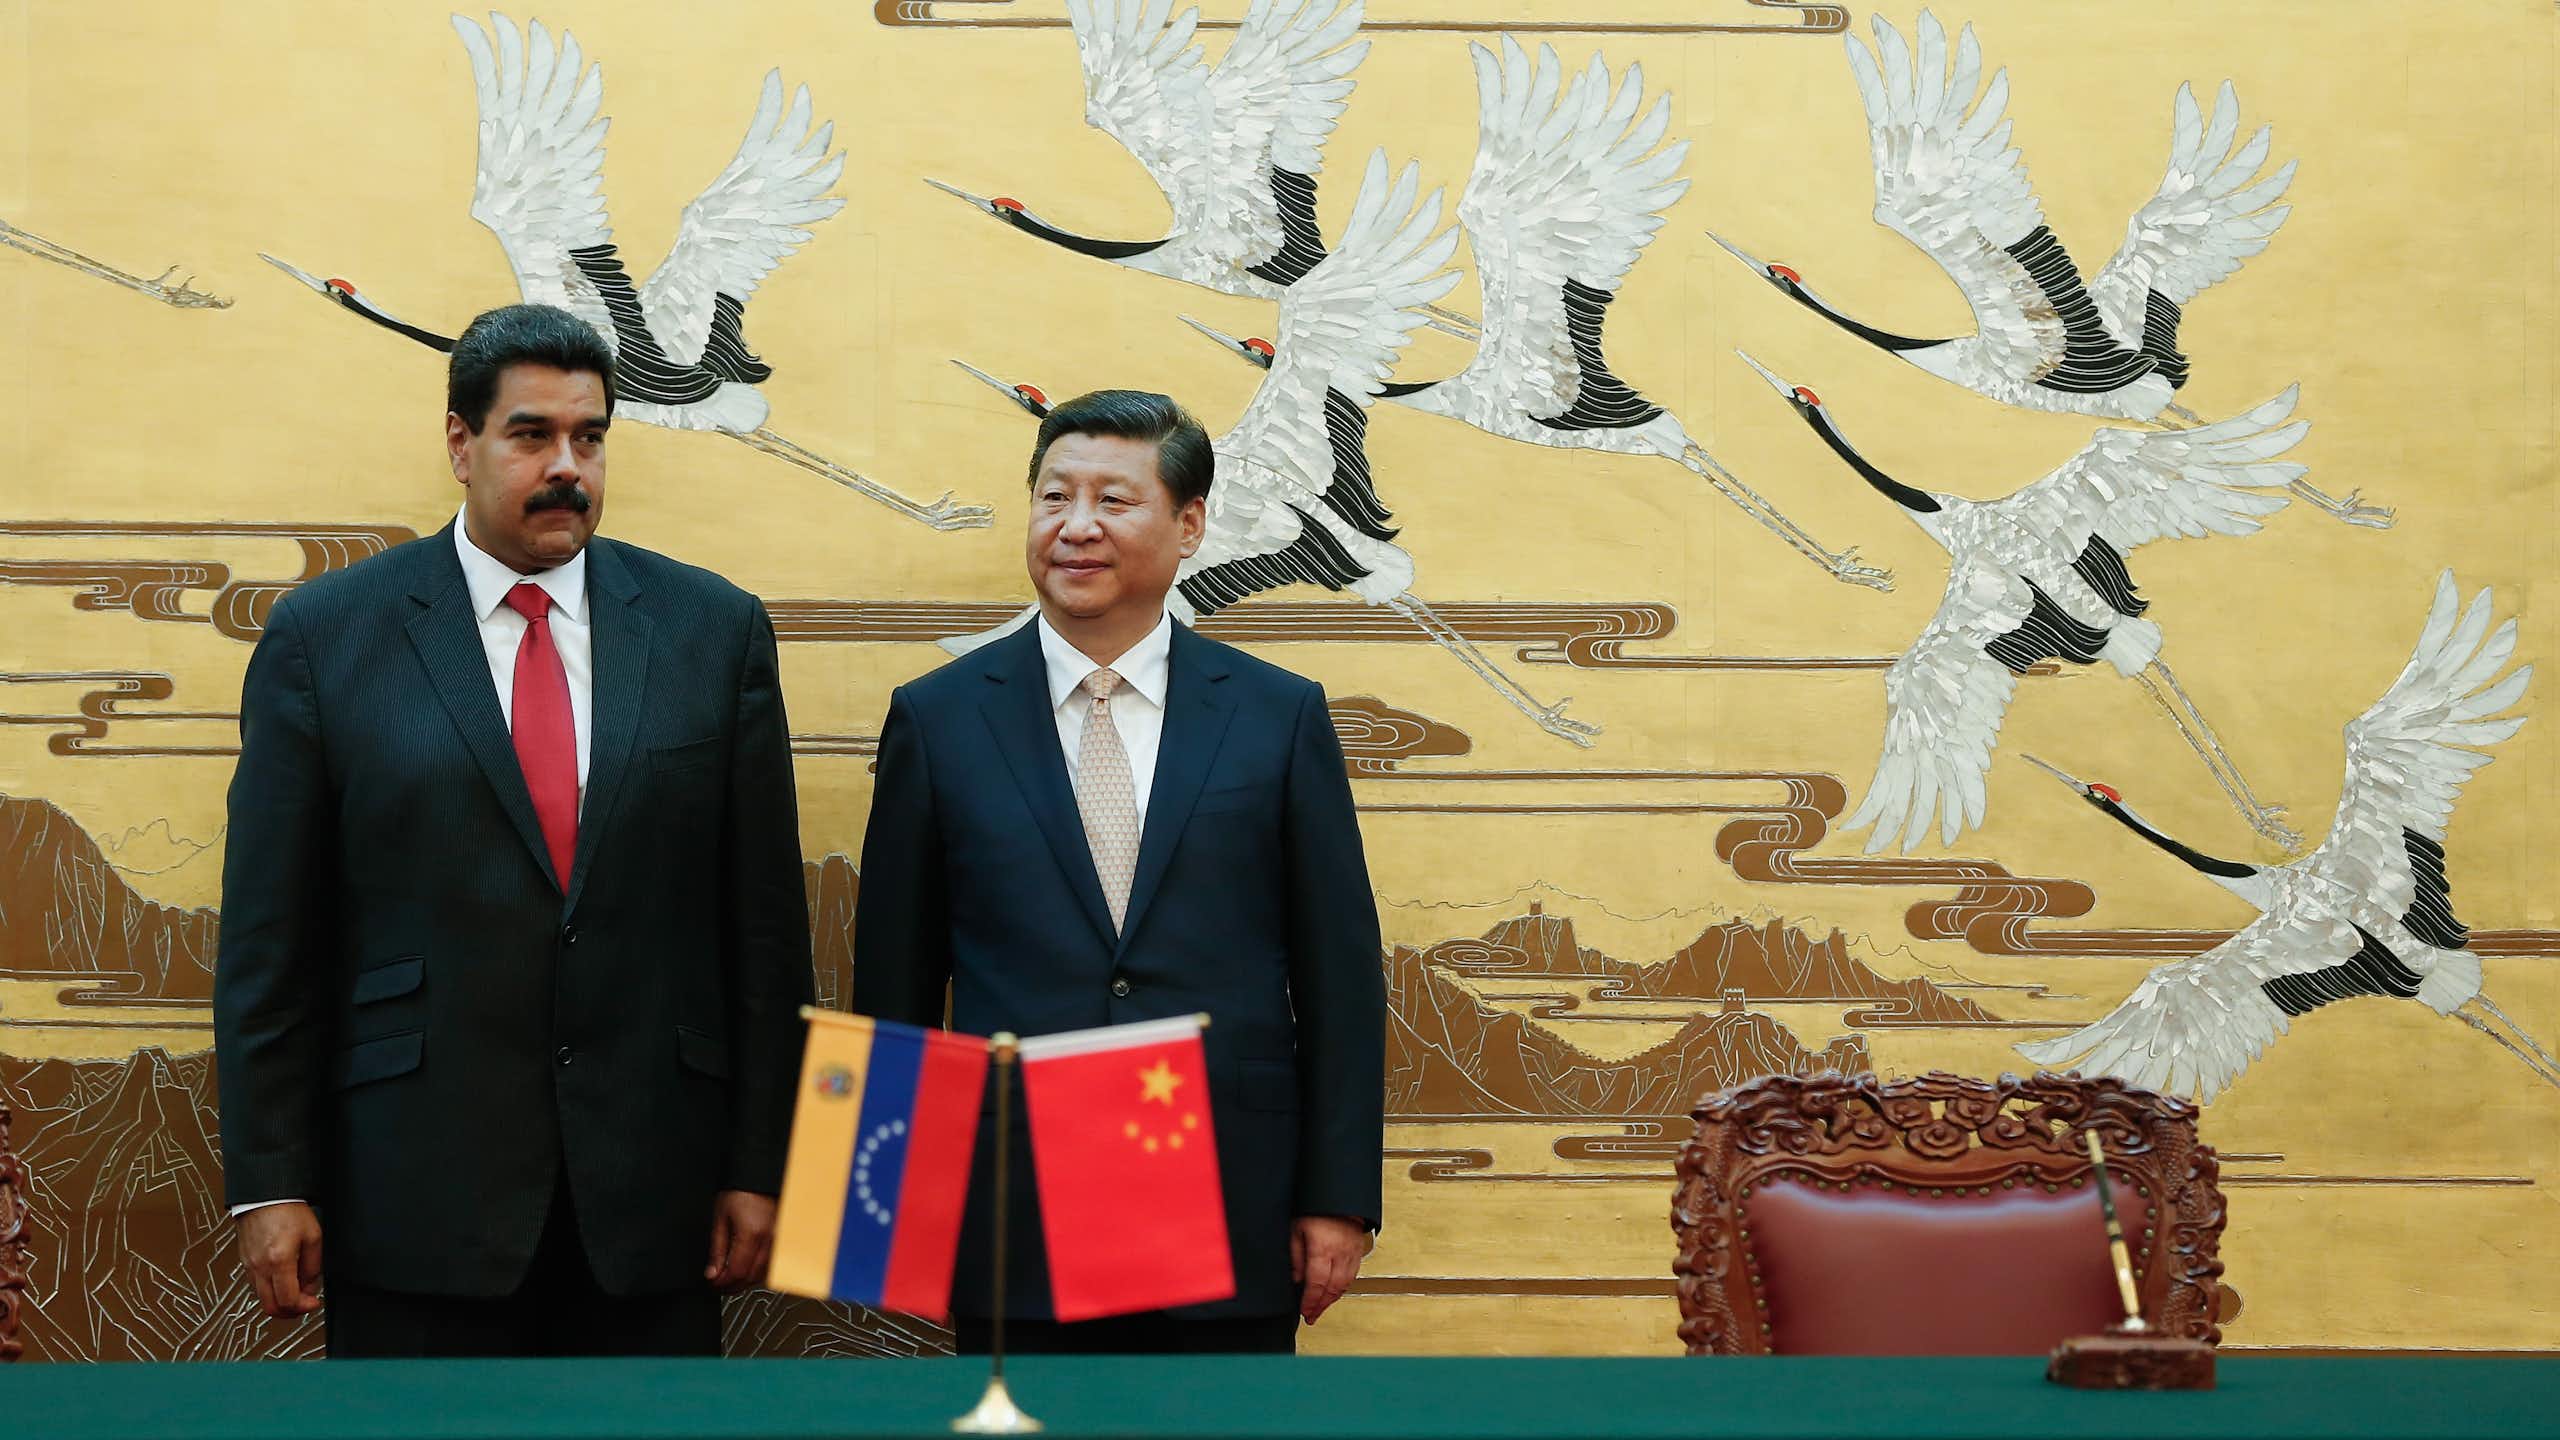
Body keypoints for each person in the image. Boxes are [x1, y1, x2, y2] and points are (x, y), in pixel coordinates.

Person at [213, 304, 812, 1357]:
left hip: (652, 1195)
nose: (566, 466)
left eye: (589, 437)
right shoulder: (328, 639)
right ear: (462, 443)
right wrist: (271, 1184)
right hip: (411, 1196)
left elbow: (762, 932)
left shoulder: (711, 632)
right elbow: (271, 939)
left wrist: (763, 1165)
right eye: (531, 435)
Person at [852, 389, 1386, 1355]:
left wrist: (1339, 1198)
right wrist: (895, 1219)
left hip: (1230, 1198)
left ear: (1189, 525)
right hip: (1014, 1208)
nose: (1077, 527)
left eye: (1114, 501)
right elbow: (893, 984)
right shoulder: (939, 719)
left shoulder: (1278, 716)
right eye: (1055, 498)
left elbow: (1340, 978)